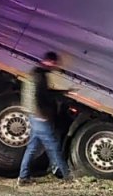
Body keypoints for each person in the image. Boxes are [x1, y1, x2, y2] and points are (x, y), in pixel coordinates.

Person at [17, 51, 73, 187]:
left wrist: (63, 92)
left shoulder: (38, 74)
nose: (55, 66)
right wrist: (40, 115)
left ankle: (23, 177)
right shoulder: (38, 76)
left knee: (32, 148)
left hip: (35, 116)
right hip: (39, 118)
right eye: (54, 63)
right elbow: (34, 97)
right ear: (49, 61)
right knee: (53, 146)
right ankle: (67, 177)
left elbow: (44, 93)